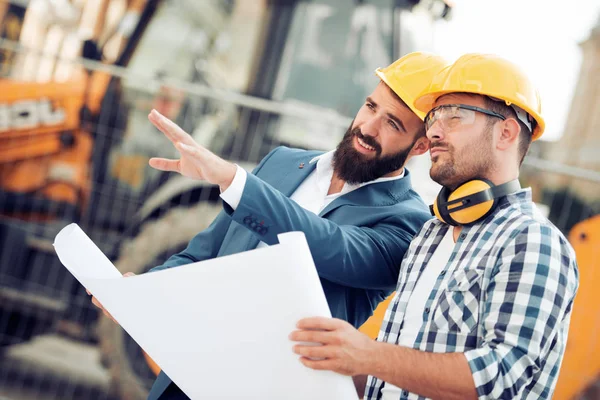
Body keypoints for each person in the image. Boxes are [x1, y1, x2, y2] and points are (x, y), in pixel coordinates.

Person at [89, 52, 449, 400]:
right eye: (371, 107)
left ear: (419, 147)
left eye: (392, 123)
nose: (368, 128)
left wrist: (234, 181)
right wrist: (145, 290)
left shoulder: (408, 220)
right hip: (190, 376)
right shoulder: (281, 163)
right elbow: (205, 253)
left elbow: (330, 246)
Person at [289, 53, 580, 400]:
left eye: (455, 116)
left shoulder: (532, 241)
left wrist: (368, 355)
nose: (434, 131)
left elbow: (503, 379)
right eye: (434, 118)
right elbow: (395, 377)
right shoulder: (430, 235)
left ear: (506, 132)